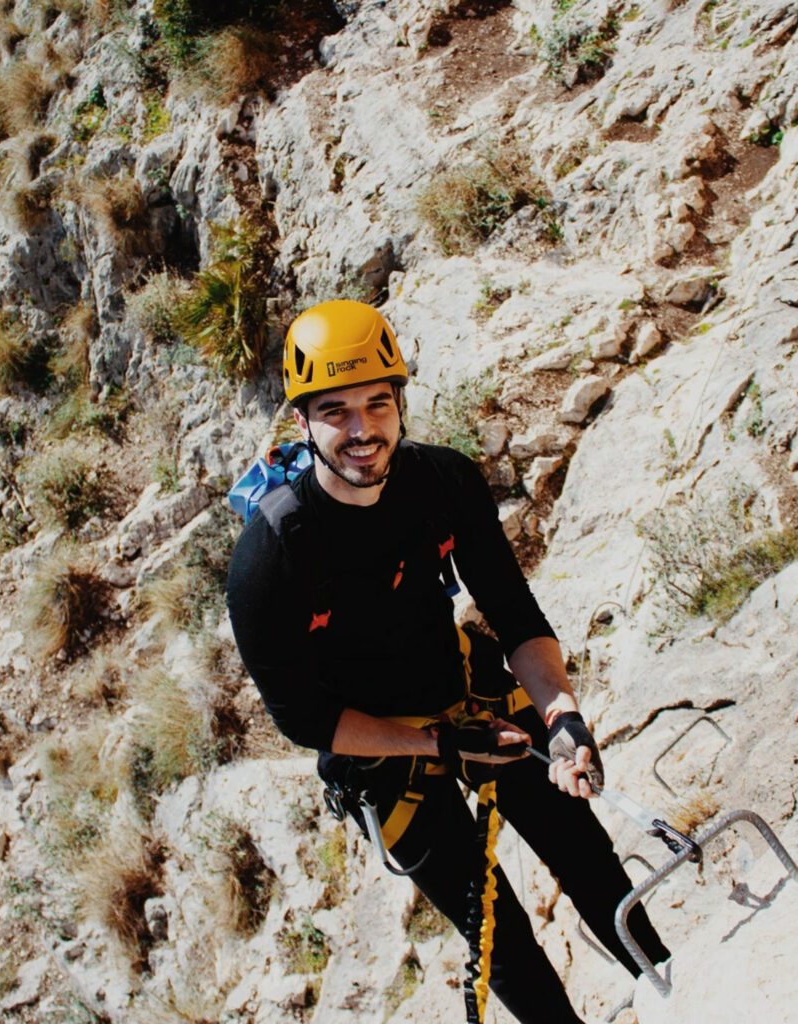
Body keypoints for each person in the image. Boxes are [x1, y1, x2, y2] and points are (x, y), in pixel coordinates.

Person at [226, 299, 669, 1023]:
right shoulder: (270, 559)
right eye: (335, 412)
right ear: (301, 423)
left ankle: (677, 984)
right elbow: (306, 718)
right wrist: (433, 743)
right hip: (380, 755)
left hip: (469, 692)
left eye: (377, 403)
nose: (363, 430)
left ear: (401, 402)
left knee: (583, 853)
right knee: (497, 932)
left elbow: (515, 614)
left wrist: (562, 717)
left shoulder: (443, 483)